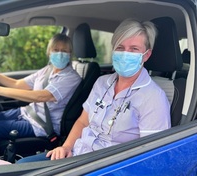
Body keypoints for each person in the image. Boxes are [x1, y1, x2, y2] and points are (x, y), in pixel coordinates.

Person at [16, 18, 171, 163]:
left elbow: (153, 156)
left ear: (146, 55)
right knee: (21, 165)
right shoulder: (102, 82)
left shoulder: (153, 98)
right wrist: (66, 147)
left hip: (104, 166)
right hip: (77, 154)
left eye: (134, 49)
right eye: (120, 47)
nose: (125, 54)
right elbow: (83, 121)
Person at [0, 34, 82, 156]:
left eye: (64, 51)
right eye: (56, 50)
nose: (60, 54)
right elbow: (17, 84)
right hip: (28, 112)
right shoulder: (47, 70)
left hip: (42, 125)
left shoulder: (71, 77)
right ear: (49, 52)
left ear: (70, 54)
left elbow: (43, 96)